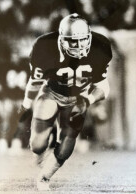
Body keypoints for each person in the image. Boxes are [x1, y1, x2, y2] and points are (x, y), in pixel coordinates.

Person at [17, 13, 112, 191]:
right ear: (61, 39)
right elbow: (35, 81)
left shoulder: (101, 47)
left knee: (66, 147)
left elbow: (104, 87)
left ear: (89, 37)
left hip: (78, 98)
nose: (78, 46)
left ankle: (44, 177)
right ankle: (42, 149)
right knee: (37, 146)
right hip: (51, 93)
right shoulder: (44, 47)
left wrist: (87, 100)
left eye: (82, 40)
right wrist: (27, 103)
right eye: (72, 41)